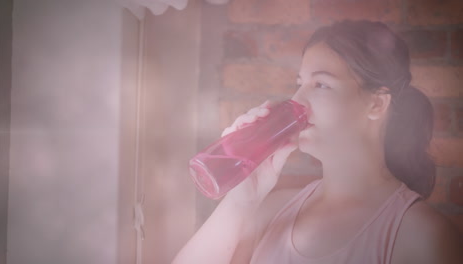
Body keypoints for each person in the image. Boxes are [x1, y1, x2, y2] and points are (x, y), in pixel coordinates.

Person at [172, 20, 463, 264]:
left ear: (376, 104)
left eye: (321, 84)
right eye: (299, 84)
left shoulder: (422, 236)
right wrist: (240, 199)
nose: (297, 101)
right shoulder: (271, 210)